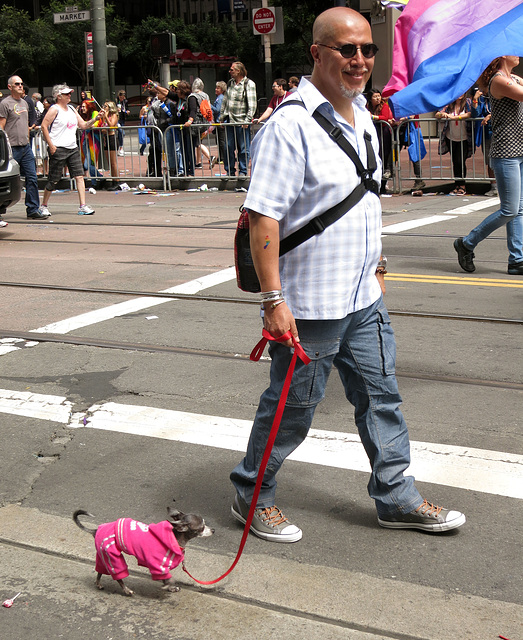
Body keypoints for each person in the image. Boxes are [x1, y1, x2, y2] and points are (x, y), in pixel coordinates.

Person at [229, 7, 466, 543]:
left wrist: (377, 266)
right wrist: (273, 299)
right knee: (292, 411)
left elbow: (362, 202)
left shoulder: (361, 117)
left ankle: (396, 496)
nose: (359, 60)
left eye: (367, 50)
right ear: (317, 53)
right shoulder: (290, 125)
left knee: (381, 398)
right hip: (309, 305)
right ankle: (252, 491)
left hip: (362, 296)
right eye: (346, 50)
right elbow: (263, 217)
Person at [454, 56, 523, 276]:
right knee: (509, 210)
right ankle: (467, 243)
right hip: (506, 153)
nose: (518, 55)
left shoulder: (511, 78)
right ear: (502, 55)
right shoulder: (498, 80)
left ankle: (517, 259)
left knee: (519, 210)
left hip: (520, 150)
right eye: (513, 51)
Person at [40, 84, 99, 215]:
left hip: (72, 147)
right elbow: (44, 126)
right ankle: (44, 205)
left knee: (79, 176)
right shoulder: (54, 109)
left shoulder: (72, 109)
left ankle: (82, 205)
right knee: (53, 179)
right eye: (66, 94)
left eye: (69, 93)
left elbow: (83, 125)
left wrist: (95, 119)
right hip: (58, 148)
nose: (69, 96)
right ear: (58, 96)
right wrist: (51, 145)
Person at [0, 75, 48, 219]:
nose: (21, 86)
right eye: (17, 84)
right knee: (6, 180)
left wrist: (27, 140)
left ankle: (33, 209)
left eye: (21, 83)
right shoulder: (4, 104)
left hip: (25, 147)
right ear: (10, 87)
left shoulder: (26, 103)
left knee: (32, 178)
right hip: (11, 148)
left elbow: (26, 124)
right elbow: (1, 126)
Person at [219, 61, 257, 176]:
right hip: (230, 121)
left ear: (238, 71)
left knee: (243, 148)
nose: (230, 72)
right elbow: (225, 101)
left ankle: (243, 171)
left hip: (242, 122)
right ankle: (230, 171)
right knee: (228, 147)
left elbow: (252, 104)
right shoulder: (230, 83)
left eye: (232, 70)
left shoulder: (248, 84)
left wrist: (247, 119)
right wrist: (221, 117)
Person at [435, 94, 472, 195]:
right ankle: (457, 184)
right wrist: (442, 115)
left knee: (461, 161)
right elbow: (437, 114)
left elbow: (470, 114)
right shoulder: (448, 104)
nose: (460, 95)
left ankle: (462, 185)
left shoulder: (468, 103)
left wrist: (456, 117)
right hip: (450, 137)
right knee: (455, 161)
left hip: (464, 137)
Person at [366, 88, 395, 193]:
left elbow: (386, 117)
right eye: (375, 97)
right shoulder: (367, 106)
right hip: (373, 132)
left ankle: (383, 185)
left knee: (383, 156)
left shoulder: (384, 105)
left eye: (379, 96)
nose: (378, 98)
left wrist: (373, 117)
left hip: (384, 132)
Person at [471, 87, 497, 196]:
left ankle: (503, 186)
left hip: (500, 132)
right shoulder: (482, 99)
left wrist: (490, 116)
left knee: (501, 160)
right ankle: (494, 186)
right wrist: (475, 99)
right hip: (486, 133)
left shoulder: (497, 95)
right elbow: (475, 114)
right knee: (489, 160)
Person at [189, 78, 216, 169]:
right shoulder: (206, 95)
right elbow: (209, 108)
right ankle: (198, 162)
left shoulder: (193, 96)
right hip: (205, 120)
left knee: (197, 143)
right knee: (199, 141)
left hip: (196, 121)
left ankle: (210, 157)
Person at [78, 99, 104, 189]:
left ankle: (99, 178)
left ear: (89, 106)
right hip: (85, 141)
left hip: (93, 140)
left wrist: (84, 124)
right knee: (88, 163)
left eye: (84, 106)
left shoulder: (95, 113)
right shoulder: (85, 115)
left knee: (88, 164)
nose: (82, 108)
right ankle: (94, 183)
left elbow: (95, 124)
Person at [97, 101, 120, 189]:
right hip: (105, 138)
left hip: (112, 138)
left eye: (105, 106)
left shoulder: (113, 115)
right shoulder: (104, 117)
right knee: (109, 162)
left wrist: (106, 116)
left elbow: (111, 126)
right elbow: (103, 127)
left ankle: (116, 181)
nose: (104, 107)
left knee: (113, 162)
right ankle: (113, 180)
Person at [212, 81, 228, 169]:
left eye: (218, 88)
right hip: (218, 122)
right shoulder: (220, 98)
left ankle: (223, 157)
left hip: (220, 122)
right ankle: (221, 157)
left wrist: (209, 105)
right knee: (219, 140)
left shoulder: (220, 98)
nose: (216, 89)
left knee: (221, 141)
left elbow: (217, 110)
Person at [115, 90, 130, 156]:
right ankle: (120, 147)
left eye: (124, 97)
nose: (123, 98)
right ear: (119, 96)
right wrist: (116, 110)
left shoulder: (125, 101)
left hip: (122, 118)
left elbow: (126, 108)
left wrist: (127, 111)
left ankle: (120, 148)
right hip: (117, 119)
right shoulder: (115, 101)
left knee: (121, 134)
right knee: (121, 132)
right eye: (122, 97)